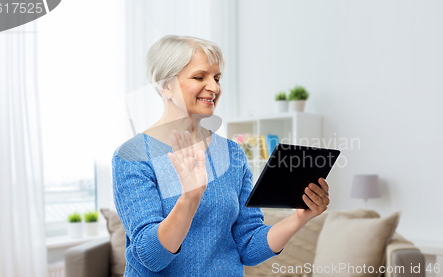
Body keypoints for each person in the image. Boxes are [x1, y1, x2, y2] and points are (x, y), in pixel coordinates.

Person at [111, 35, 330, 277]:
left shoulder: (232, 153)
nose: (214, 88)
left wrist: (300, 218)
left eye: (216, 78)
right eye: (199, 77)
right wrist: (189, 199)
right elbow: (151, 257)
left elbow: (248, 247)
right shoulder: (133, 156)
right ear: (165, 86)